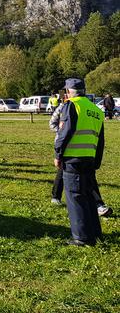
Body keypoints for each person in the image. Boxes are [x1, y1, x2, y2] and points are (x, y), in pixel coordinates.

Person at [54, 78, 105, 246]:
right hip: (89, 159)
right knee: (89, 196)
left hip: (73, 159)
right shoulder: (96, 110)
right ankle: (95, 233)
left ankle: (82, 237)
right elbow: (100, 141)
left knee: (75, 197)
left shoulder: (71, 105)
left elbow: (65, 132)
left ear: (69, 92)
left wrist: (58, 154)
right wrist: (96, 161)